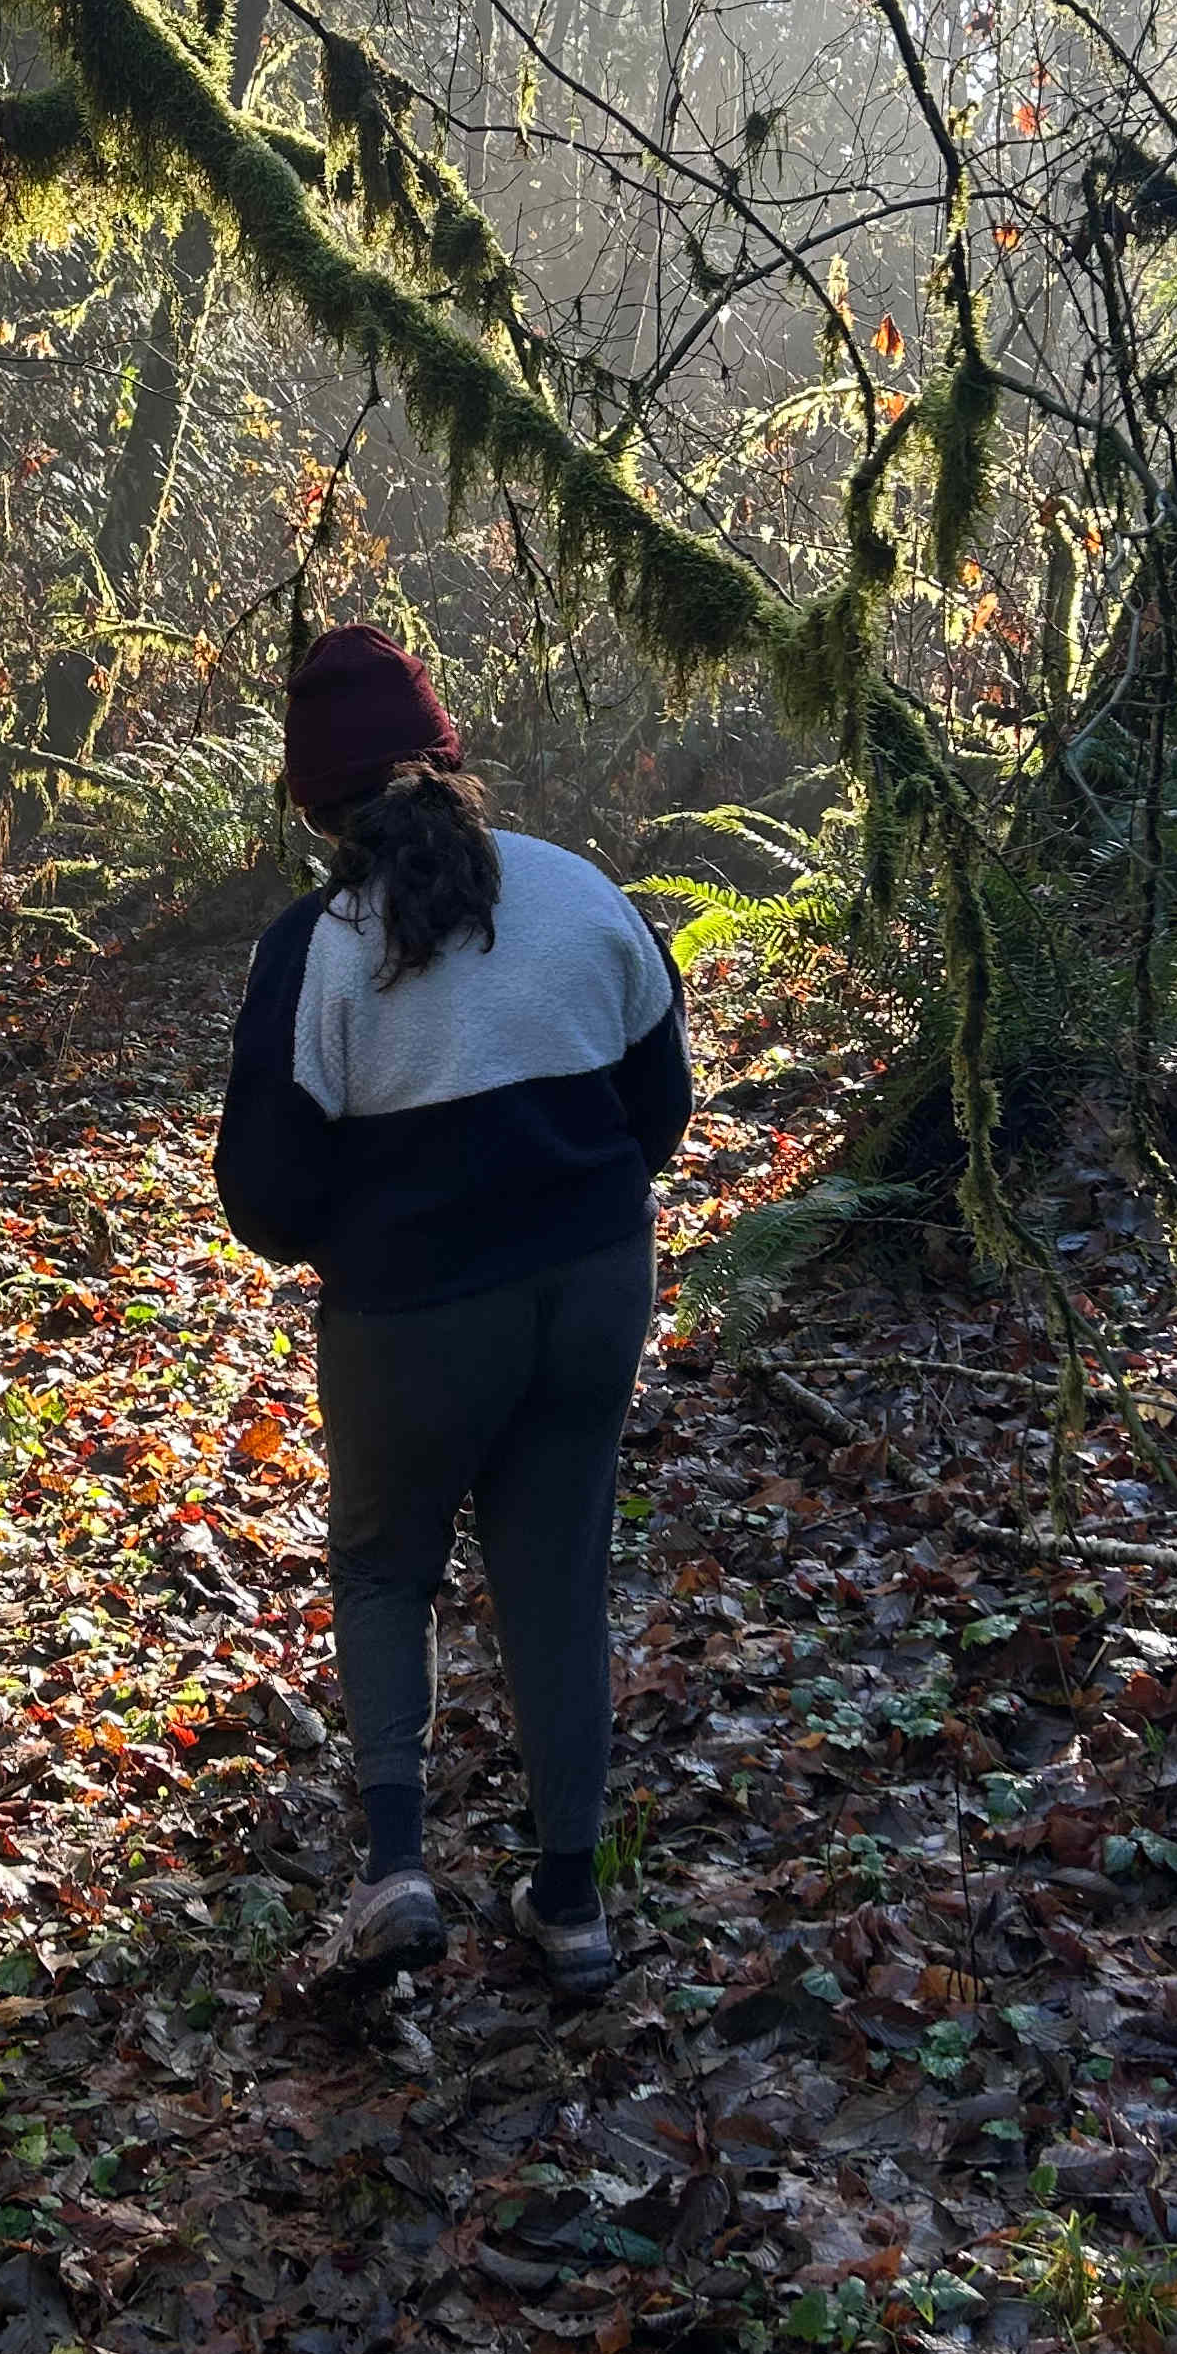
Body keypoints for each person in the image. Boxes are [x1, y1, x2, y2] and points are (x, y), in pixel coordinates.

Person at [213, 624, 690, 2004]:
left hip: (413, 1321)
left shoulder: (319, 950)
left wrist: (366, 1231)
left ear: (315, 809)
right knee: (555, 1585)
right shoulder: (582, 893)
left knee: (383, 1568)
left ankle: (399, 1871)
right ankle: (573, 1906)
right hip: (596, 1289)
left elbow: (265, 1195)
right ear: (451, 757)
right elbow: (657, 1109)